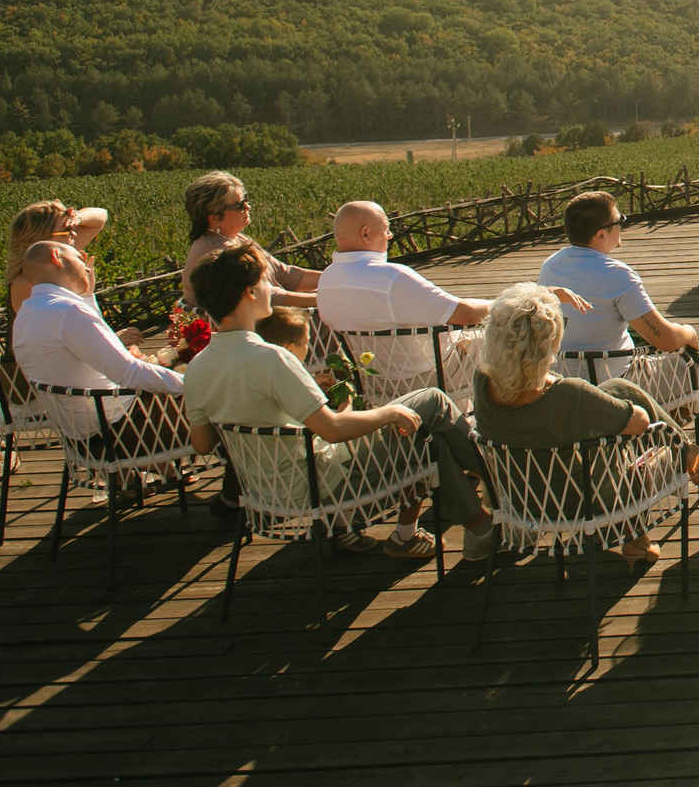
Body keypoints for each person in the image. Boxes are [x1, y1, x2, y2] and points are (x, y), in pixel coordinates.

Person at [184, 241, 498, 563]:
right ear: (249, 292)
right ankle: (505, 479)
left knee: (427, 438)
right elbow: (331, 430)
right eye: (266, 282)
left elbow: (204, 444)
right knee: (431, 401)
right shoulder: (271, 358)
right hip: (323, 485)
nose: (271, 289)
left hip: (264, 492)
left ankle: (483, 525)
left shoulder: (197, 367)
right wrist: (389, 411)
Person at [473, 285, 699, 573]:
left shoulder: (482, 382)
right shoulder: (568, 395)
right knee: (632, 437)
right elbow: (640, 423)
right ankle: (692, 465)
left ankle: (691, 464)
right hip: (587, 506)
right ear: (550, 342)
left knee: (618, 389)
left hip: (522, 502)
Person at [314, 201, 586, 401]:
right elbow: (464, 313)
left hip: (375, 381)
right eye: (386, 230)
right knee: (519, 334)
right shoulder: (390, 278)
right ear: (365, 234)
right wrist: (520, 301)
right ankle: (537, 407)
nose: (390, 236)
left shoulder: (326, 280)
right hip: (431, 375)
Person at [10, 239, 187, 459]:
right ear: (56, 257)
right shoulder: (68, 310)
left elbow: (89, 350)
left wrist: (86, 295)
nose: (86, 266)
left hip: (85, 442)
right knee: (227, 402)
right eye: (77, 257)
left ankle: (139, 481)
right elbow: (129, 373)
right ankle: (233, 489)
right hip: (129, 434)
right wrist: (193, 386)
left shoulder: (27, 314)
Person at [541, 191, 699, 372]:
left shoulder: (550, 265)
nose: (622, 226)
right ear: (601, 234)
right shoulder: (617, 275)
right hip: (615, 378)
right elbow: (666, 340)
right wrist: (689, 332)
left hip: (561, 376)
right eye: (620, 221)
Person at [180, 172, 317, 306]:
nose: (248, 207)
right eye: (240, 205)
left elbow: (285, 275)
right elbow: (265, 296)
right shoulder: (217, 254)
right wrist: (322, 299)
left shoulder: (239, 239)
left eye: (245, 199)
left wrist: (334, 278)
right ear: (215, 216)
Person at [5, 200, 109, 314]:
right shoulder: (26, 283)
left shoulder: (53, 258)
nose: (74, 234)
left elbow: (101, 216)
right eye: (67, 230)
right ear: (43, 237)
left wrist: (78, 218)